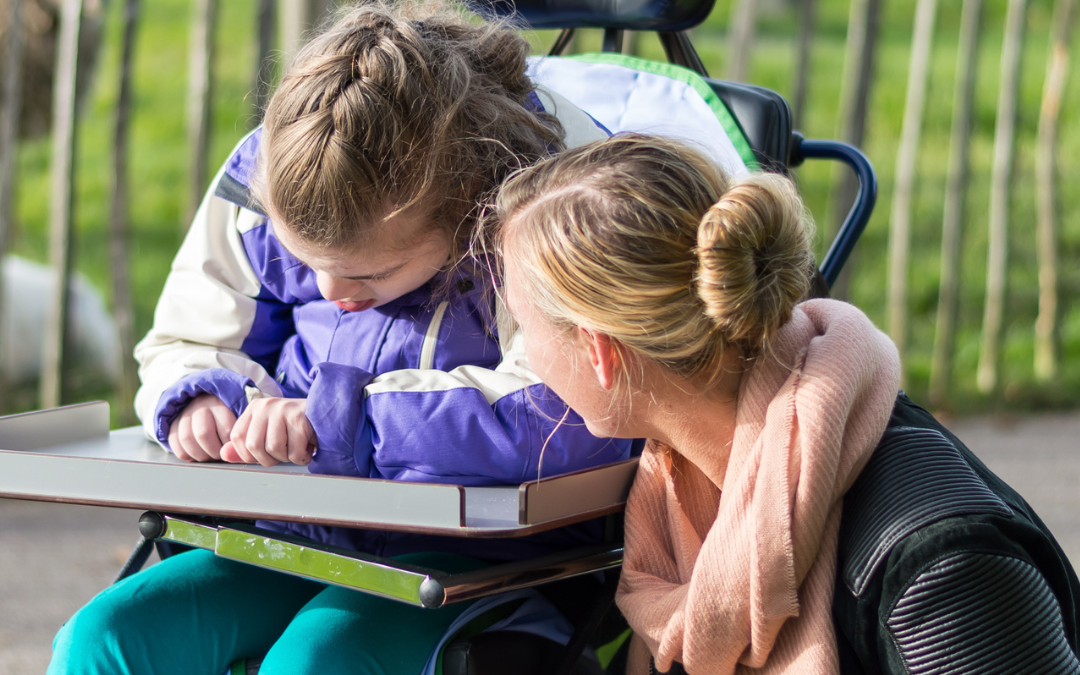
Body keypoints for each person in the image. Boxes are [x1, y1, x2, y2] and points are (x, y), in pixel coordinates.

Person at [47, 4, 631, 674]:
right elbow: (187, 331)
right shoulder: (283, 165)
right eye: (306, 260)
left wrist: (345, 422)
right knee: (104, 640)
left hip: (499, 560)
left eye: (368, 271)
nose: (329, 290)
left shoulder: (552, 202)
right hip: (298, 531)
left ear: (467, 204)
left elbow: (573, 411)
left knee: (317, 661)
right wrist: (199, 397)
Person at [494, 133, 1080, 674]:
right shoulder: (677, 498)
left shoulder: (938, 569)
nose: (516, 353)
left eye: (520, 324)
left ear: (600, 352)